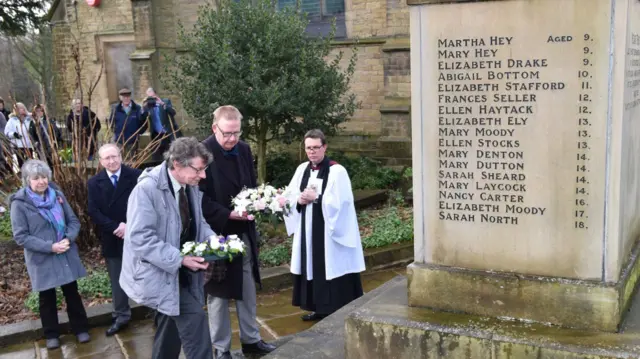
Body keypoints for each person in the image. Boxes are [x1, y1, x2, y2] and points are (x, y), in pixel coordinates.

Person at [119, 137, 216, 359]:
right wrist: (180, 259)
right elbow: (139, 237)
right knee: (195, 320)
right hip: (157, 273)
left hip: (178, 271)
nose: (203, 176)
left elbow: (198, 223)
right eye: (199, 169)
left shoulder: (188, 185)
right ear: (178, 164)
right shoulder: (146, 190)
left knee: (169, 323)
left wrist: (214, 240)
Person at [200, 105, 276, 359]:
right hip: (217, 231)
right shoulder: (202, 153)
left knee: (247, 288)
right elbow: (198, 198)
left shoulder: (243, 149)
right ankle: (221, 349)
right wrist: (228, 214)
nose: (232, 139)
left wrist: (259, 201)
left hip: (244, 231)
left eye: (236, 133)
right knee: (218, 295)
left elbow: (250, 185)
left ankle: (251, 340)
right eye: (227, 134)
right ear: (214, 128)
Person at [283, 129, 366, 321]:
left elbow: (343, 202)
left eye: (316, 148)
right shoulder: (302, 169)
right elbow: (290, 194)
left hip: (328, 233)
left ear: (325, 147)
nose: (312, 152)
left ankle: (336, 309)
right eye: (308, 148)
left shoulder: (337, 171)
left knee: (329, 266)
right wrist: (299, 200)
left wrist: (317, 198)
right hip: (307, 230)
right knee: (311, 266)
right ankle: (318, 307)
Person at [10, 160, 91, 350]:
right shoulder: (19, 204)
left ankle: (81, 330)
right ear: (27, 181)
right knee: (47, 298)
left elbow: (73, 222)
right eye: (36, 178)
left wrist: (68, 240)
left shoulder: (58, 196)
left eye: (44, 177)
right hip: (42, 257)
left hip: (64, 252)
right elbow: (21, 237)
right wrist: (50, 247)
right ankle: (52, 334)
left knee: (72, 293)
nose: (41, 181)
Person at [87, 144, 142, 336]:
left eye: (114, 156)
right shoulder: (94, 183)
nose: (111, 161)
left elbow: (146, 204)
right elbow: (93, 211)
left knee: (147, 274)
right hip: (113, 237)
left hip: (138, 234)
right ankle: (121, 316)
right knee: (118, 279)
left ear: (121, 155)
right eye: (106, 158)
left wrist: (129, 225)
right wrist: (116, 227)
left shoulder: (137, 176)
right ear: (101, 161)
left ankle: (157, 312)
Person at [142, 90, 182, 162]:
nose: (152, 99)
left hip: (168, 134)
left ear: (156, 95)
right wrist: (143, 107)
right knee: (157, 157)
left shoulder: (165, 101)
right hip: (156, 135)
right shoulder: (148, 106)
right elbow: (142, 117)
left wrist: (162, 103)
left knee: (171, 156)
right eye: (149, 97)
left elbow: (173, 112)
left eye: (153, 97)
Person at [108, 88, 148, 157]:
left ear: (130, 97)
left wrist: (138, 134)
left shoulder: (137, 108)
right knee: (119, 159)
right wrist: (116, 132)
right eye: (124, 97)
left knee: (132, 160)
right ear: (120, 98)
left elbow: (143, 123)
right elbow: (111, 122)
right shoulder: (116, 109)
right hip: (119, 140)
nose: (126, 99)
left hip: (133, 141)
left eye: (128, 97)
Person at [30, 104, 62, 169]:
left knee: (53, 162)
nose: (39, 113)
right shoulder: (33, 122)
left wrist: (54, 139)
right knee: (43, 163)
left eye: (41, 111)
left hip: (50, 145)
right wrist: (36, 143)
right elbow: (31, 135)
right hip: (41, 146)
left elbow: (56, 131)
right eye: (37, 111)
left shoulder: (49, 120)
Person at [5, 103, 34, 169]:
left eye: (22, 108)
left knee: (30, 162)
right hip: (18, 145)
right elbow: (7, 132)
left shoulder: (29, 118)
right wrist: (14, 134)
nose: (22, 109)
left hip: (28, 144)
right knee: (21, 163)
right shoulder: (12, 120)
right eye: (19, 108)